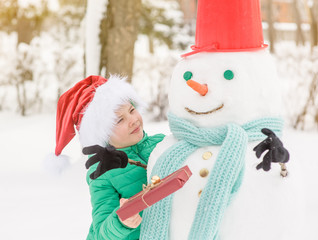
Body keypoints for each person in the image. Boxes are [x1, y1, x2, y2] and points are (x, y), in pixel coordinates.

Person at [49, 75, 165, 239]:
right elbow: (102, 232)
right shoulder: (102, 172)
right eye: (119, 120)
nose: (133, 120)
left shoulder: (162, 142)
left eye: (132, 110)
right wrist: (120, 221)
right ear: (102, 135)